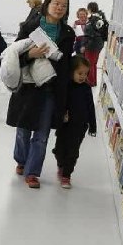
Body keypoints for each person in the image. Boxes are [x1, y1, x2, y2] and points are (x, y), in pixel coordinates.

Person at [6, 0, 75, 189]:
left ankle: (33, 172)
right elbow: (13, 55)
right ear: (47, 5)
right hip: (28, 86)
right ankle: (21, 160)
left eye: (64, 5)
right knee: (23, 130)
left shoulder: (67, 33)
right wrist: (31, 55)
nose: (59, 8)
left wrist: (66, 97)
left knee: (42, 134)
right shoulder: (30, 26)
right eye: (56, 3)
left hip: (51, 88)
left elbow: (65, 64)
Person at [51, 55, 97, 189]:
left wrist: (92, 126)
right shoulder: (66, 86)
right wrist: (59, 117)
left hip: (79, 127)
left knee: (73, 151)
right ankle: (61, 164)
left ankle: (66, 175)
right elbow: (60, 104)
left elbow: (91, 107)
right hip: (65, 125)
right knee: (59, 150)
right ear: (71, 72)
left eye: (85, 74)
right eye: (80, 73)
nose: (83, 76)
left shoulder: (86, 89)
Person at [83, 1, 108, 86]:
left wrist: (85, 43)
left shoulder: (93, 19)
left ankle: (90, 82)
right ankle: (93, 81)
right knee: (93, 63)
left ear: (89, 9)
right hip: (99, 44)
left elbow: (90, 32)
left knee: (89, 63)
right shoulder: (101, 18)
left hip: (92, 44)